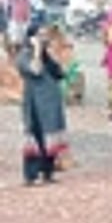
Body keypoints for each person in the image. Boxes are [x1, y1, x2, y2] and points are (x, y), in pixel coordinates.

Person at [17, 23, 68, 186]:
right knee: (35, 136)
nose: (44, 38)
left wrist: (50, 54)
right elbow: (35, 70)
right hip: (35, 104)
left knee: (51, 137)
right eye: (40, 35)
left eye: (45, 35)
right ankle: (31, 175)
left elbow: (60, 73)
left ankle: (47, 171)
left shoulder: (47, 56)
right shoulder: (24, 56)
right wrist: (37, 50)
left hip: (51, 105)